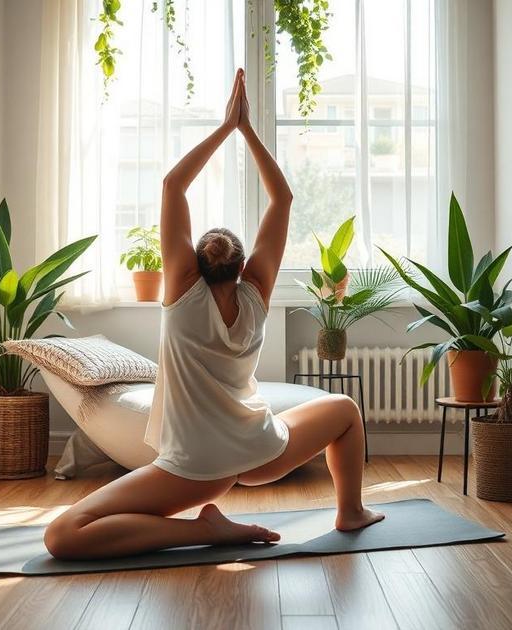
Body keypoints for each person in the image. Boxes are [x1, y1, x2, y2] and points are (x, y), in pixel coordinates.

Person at [44, 69, 383, 560]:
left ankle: (209, 531)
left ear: (193, 267)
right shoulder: (257, 296)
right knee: (345, 411)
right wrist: (247, 131)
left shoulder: (182, 297)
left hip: (192, 470)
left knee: (64, 534)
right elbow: (282, 200)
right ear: (244, 267)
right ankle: (350, 512)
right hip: (261, 452)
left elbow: (173, 186)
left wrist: (225, 128)